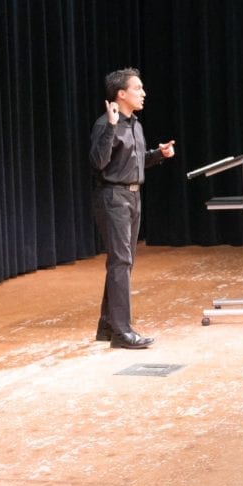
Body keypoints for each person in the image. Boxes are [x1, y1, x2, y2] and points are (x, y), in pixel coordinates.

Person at [90, 67, 176, 349]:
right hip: (113, 198)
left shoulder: (136, 124)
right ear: (121, 94)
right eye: (138, 88)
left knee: (123, 263)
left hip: (132, 197)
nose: (143, 93)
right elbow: (99, 163)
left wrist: (157, 155)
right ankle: (122, 331)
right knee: (120, 262)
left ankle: (108, 325)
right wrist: (112, 127)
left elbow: (132, 162)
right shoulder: (106, 124)